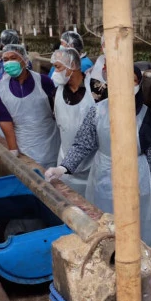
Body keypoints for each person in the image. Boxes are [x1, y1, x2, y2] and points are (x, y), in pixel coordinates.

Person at [45, 65, 151, 247]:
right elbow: (83, 143)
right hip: (105, 175)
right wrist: (63, 167)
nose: (125, 85)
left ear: (139, 83)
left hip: (137, 176)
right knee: (106, 224)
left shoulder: (146, 115)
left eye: (131, 80)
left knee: (135, 226)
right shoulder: (98, 111)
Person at [0, 44, 59, 167]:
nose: (8, 63)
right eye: (5, 60)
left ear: (24, 59)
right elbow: (4, 120)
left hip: (49, 143)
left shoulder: (44, 81)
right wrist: (13, 149)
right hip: (24, 145)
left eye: (13, 58)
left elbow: (57, 111)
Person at [49, 47, 95, 195]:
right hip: (65, 163)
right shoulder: (56, 93)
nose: (55, 72)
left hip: (93, 166)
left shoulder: (97, 90)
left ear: (72, 67)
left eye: (58, 67)